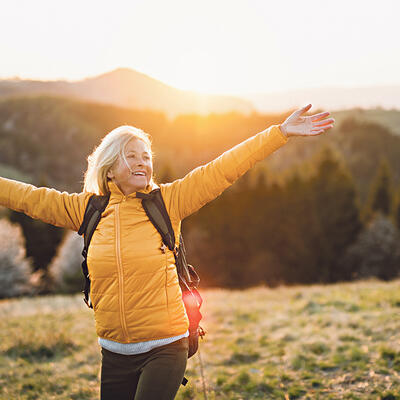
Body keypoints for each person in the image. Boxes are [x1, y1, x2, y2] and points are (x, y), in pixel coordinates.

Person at [0, 103, 333, 399]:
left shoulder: (168, 202)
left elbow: (223, 169)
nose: (143, 162)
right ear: (109, 165)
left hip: (165, 346)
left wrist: (278, 134)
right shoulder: (86, 210)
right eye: (131, 155)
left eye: (147, 156)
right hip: (113, 351)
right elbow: (27, 197)